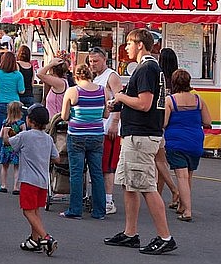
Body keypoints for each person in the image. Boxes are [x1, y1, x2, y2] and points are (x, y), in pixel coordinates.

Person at [104, 28, 176, 255]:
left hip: (141, 136)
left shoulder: (146, 68)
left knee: (146, 186)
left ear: (140, 45)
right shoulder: (149, 68)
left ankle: (165, 237)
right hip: (136, 133)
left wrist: (120, 96)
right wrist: (119, 104)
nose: (126, 47)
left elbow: (145, 103)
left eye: (129, 43)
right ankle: (130, 233)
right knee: (129, 184)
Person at [5, 105, 60, 256]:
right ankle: (34, 240)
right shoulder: (48, 139)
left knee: (27, 211)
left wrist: (5, 132)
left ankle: (46, 237)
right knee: (36, 211)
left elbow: (8, 142)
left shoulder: (25, 136)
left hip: (28, 180)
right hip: (43, 181)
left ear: (29, 120)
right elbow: (57, 158)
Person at [59, 63, 108, 220]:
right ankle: (99, 210)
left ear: (76, 76)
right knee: (97, 173)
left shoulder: (73, 91)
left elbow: (64, 116)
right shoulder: (103, 91)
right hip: (97, 135)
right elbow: (106, 114)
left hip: (77, 135)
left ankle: (75, 209)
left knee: (76, 172)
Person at [163, 69, 212, 222]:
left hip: (176, 141)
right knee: (188, 175)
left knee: (181, 176)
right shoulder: (198, 100)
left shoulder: (170, 100)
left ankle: (188, 210)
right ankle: (182, 206)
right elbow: (208, 122)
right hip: (195, 141)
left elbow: (163, 123)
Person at [87, 47, 123, 215]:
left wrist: (114, 122)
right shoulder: (97, 77)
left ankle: (108, 201)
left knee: (108, 166)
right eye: (90, 61)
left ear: (104, 60)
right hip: (98, 127)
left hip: (109, 128)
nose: (92, 64)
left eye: (96, 61)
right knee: (99, 165)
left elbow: (119, 99)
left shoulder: (111, 76)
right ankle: (100, 197)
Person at [156, 48, 180, 207]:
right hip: (173, 123)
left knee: (158, 161)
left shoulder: (159, 78)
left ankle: (172, 189)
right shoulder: (176, 79)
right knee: (161, 161)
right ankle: (158, 194)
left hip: (159, 121)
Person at [0, 52, 25, 152]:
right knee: (16, 128)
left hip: (1, 102)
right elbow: (21, 91)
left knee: (2, 127)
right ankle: (15, 150)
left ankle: (2, 151)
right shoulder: (18, 75)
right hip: (15, 104)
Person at [0, 101, 25, 193]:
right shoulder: (21, 123)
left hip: (6, 147)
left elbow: (0, 135)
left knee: (4, 167)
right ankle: (16, 187)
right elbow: (24, 135)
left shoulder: (5, 122)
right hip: (16, 148)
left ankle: (3, 185)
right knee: (17, 167)